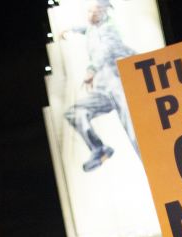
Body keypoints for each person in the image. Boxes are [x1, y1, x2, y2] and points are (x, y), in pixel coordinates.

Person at [61, 0, 138, 172]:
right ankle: (99, 149)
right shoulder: (91, 28)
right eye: (89, 12)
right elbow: (84, 29)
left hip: (119, 86)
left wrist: (91, 70)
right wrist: (70, 30)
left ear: (104, 11)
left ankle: (152, 163)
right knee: (75, 113)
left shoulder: (110, 29)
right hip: (103, 91)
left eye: (94, 12)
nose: (90, 16)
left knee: (134, 130)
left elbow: (106, 50)